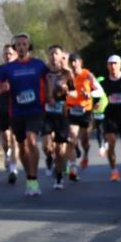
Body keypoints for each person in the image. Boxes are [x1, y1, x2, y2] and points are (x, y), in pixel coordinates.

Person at [0, 33, 47, 196]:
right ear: (15, 48)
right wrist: (1, 89)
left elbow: (49, 81)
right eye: (18, 44)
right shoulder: (7, 69)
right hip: (16, 111)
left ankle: (34, 178)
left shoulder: (39, 65)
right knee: (22, 146)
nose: (22, 47)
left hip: (35, 110)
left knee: (32, 140)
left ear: (28, 46)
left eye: (24, 44)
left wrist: (51, 96)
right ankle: (29, 177)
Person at [65, 53, 103, 180]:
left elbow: (100, 91)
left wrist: (90, 94)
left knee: (85, 140)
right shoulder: (68, 76)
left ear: (80, 62)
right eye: (71, 61)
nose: (73, 64)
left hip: (85, 111)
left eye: (75, 61)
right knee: (72, 136)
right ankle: (73, 168)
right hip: (72, 110)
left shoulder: (87, 75)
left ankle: (85, 153)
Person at [43, 45, 74, 190]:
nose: (53, 56)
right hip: (47, 113)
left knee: (60, 150)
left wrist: (66, 90)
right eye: (51, 53)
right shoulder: (43, 72)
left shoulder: (67, 74)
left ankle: (59, 177)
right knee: (46, 145)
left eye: (56, 53)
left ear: (62, 56)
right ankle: (49, 157)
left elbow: (74, 93)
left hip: (62, 114)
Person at [0, 43, 19, 184]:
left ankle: (13, 169)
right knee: (6, 138)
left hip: (16, 108)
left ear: (15, 55)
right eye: (5, 54)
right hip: (1, 108)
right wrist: (1, 90)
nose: (8, 56)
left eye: (10, 53)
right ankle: (7, 153)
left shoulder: (20, 69)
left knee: (14, 138)